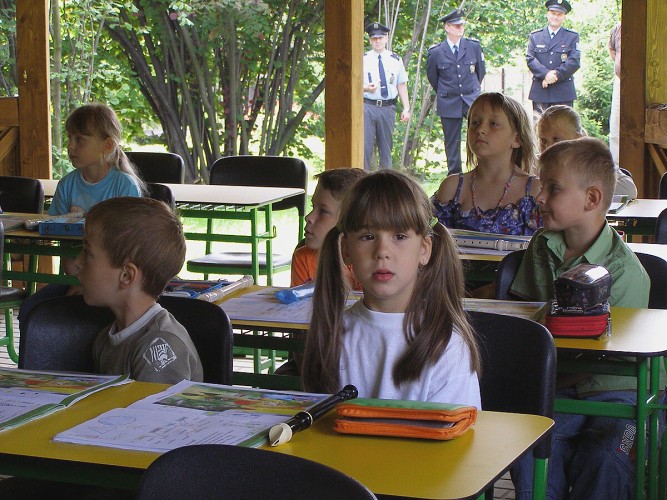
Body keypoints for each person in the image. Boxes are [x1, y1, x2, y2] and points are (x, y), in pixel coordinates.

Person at [509, 138, 650, 499]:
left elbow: (605, 358)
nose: (540, 197)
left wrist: (536, 379)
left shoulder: (625, 272)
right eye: (541, 186)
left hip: (618, 391)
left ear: (591, 199)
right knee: (526, 449)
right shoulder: (541, 245)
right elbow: (524, 317)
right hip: (557, 386)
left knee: (607, 457)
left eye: (553, 188)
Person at [301, 170, 481, 407]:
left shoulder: (446, 345)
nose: (382, 251)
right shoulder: (334, 333)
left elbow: (456, 428)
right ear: (346, 249)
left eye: (399, 236)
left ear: (424, 249)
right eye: (367, 236)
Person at [18, 103, 144, 328]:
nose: (70, 146)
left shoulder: (124, 185)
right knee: (29, 310)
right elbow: (53, 229)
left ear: (107, 145)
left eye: (80, 140)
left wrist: (90, 285)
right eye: (69, 138)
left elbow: (127, 247)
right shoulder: (67, 184)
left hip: (113, 286)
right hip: (72, 280)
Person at [76, 197, 203, 383]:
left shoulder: (159, 347)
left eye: (87, 253)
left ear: (126, 275)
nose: (77, 262)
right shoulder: (105, 340)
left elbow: (158, 404)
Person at [432, 92, 541, 236]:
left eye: (493, 124)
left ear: (517, 139)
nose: (480, 130)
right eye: (475, 122)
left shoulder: (535, 191)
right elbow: (436, 244)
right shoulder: (453, 188)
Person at [427, 9, 485, 176]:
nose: (460, 28)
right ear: (447, 27)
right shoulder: (436, 52)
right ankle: (454, 175)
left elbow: (480, 72)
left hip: (470, 99)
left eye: (462, 25)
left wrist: (472, 90)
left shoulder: (473, 46)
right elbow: (433, 77)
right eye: (456, 26)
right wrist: (446, 91)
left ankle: (481, 170)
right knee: (451, 141)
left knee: (480, 135)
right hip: (449, 101)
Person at [536, 104, 638, 198]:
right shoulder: (534, 165)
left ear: (578, 139)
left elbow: (629, 190)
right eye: (543, 141)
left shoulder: (592, 163)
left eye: (556, 139)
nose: (548, 147)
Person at [291, 167, 366, 288]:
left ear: (349, 220)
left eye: (323, 211)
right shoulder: (303, 258)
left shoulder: (368, 261)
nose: (308, 217)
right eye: (312, 206)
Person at [362, 22, 411, 171]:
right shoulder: (363, 59)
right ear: (370, 40)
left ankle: (386, 181)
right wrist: (366, 88)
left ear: (386, 38)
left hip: (387, 107)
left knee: (386, 148)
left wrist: (406, 108)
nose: (377, 41)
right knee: (365, 148)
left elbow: (401, 84)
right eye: (374, 38)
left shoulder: (395, 59)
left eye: (380, 38)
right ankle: (362, 179)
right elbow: (354, 84)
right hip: (368, 106)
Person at [526, 0, 580, 114]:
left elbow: (574, 61)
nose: (555, 17)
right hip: (541, 90)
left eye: (559, 14)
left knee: (564, 125)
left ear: (564, 17)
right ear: (547, 14)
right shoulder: (535, 36)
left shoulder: (572, 37)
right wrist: (545, 74)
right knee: (540, 124)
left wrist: (555, 75)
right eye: (553, 13)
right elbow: (530, 59)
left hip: (563, 92)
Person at [608, 22, 621, 166]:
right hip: (620, 80)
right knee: (615, 129)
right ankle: (616, 168)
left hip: (641, 81)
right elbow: (611, 48)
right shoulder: (618, 27)